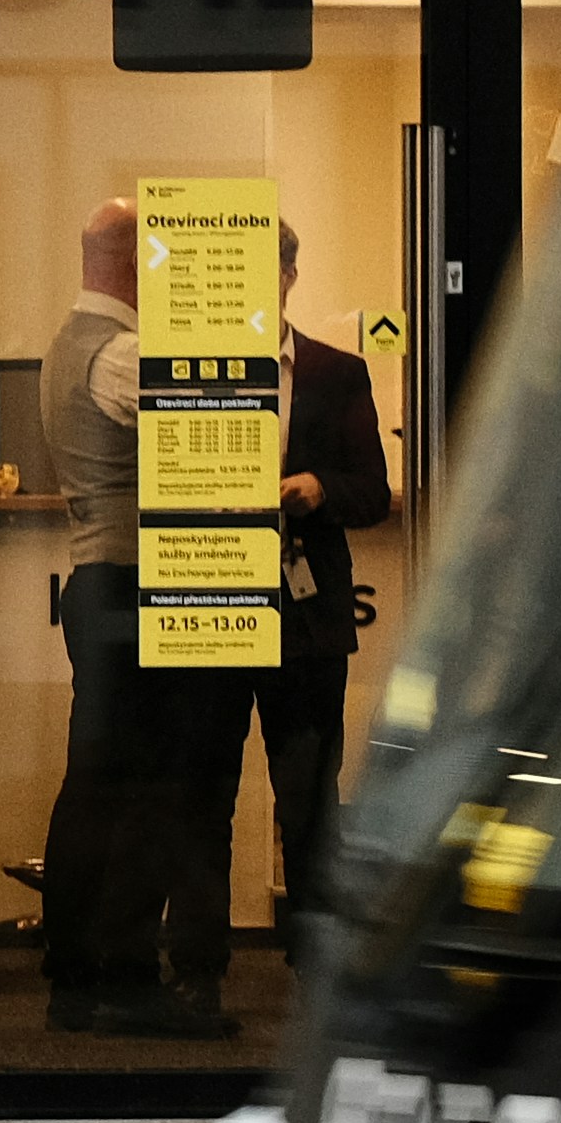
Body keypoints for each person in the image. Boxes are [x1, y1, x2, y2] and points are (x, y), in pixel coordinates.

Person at [29, 199, 236, 1041]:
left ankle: (77, 969)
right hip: (137, 583)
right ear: (134, 265)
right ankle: (115, 974)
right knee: (148, 786)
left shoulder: (60, 350)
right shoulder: (124, 354)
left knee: (97, 783)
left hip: (96, 580)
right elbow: (216, 436)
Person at [250, 225, 398, 934]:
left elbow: (373, 489)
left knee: (308, 787)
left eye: (264, 267)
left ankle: (314, 949)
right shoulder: (187, 370)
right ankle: (197, 967)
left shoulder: (336, 371)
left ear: (290, 275)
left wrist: (318, 488)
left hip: (308, 612)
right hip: (208, 596)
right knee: (204, 782)